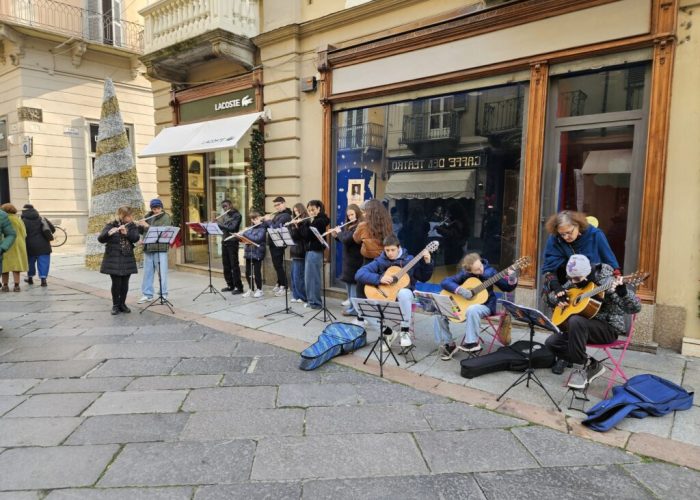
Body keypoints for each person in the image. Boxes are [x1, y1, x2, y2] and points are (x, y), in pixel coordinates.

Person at [544, 254, 641, 390]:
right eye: (570, 278)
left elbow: (635, 308)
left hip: (607, 329)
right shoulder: (574, 279)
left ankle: (581, 368)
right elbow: (551, 298)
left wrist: (623, 293)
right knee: (552, 342)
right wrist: (559, 296)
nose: (573, 281)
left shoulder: (608, 281)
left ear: (588, 273)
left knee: (575, 320)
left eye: (576, 279)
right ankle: (591, 364)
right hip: (580, 329)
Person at [355, 234, 433, 350]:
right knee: (362, 307)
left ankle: (405, 331)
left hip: (404, 299)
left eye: (393, 250)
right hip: (385, 296)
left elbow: (424, 277)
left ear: (399, 248)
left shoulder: (409, 260)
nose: (390, 253)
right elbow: (359, 274)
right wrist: (379, 279)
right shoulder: (380, 261)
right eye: (387, 250)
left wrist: (427, 263)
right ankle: (388, 332)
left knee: (404, 293)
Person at [434, 252, 518, 360]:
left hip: (486, 305)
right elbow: (445, 282)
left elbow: (507, 287)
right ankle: (448, 344)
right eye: (477, 269)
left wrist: (512, 276)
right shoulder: (465, 274)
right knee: (440, 311)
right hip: (465, 306)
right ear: (469, 271)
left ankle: (472, 343)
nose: (481, 270)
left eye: (481, 266)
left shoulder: (491, 272)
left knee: (472, 309)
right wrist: (460, 290)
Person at [541, 210, 620, 297]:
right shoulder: (555, 238)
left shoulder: (595, 235)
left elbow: (609, 260)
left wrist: (617, 278)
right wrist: (557, 288)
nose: (566, 237)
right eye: (562, 234)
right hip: (566, 287)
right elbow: (549, 268)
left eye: (569, 232)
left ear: (577, 225)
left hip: (593, 286)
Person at [352, 199, 394, 325]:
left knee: (361, 289)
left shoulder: (363, 226)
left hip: (368, 261)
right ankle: (380, 318)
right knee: (379, 291)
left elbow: (356, 239)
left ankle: (361, 319)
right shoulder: (387, 224)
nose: (363, 214)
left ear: (369, 213)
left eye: (365, 212)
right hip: (383, 261)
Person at [97, 206, 140, 315]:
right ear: (122, 215)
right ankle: (115, 305)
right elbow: (101, 239)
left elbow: (135, 238)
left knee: (125, 282)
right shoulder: (111, 224)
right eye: (128, 216)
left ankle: (123, 304)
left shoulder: (132, 225)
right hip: (114, 257)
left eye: (131, 216)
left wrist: (127, 233)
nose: (130, 218)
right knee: (116, 283)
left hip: (127, 257)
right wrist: (108, 233)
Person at [136, 199, 172, 304]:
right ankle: (147, 294)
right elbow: (143, 232)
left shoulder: (166, 217)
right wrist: (139, 226)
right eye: (154, 209)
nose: (156, 211)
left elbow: (162, 230)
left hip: (160, 248)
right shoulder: (148, 216)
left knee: (162, 272)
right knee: (147, 272)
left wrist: (146, 226)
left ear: (161, 208)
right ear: (151, 209)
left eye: (158, 208)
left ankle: (163, 294)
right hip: (148, 248)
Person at [330, 203, 363, 316]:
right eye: (348, 215)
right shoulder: (349, 226)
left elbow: (347, 239)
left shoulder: (359, 226)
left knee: (353, 286)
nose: (350, 217)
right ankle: (351, 307)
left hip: (356, 260)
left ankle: (355, 310)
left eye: (352, 214)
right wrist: (336, 236)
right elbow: (343, 239)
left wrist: (339, 233)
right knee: (348, 286)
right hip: (348, 259)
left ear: (357, 213)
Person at [298, 200, 329, 310]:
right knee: (309, 278)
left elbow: (307, 235)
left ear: (319, 209)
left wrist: (300, 224)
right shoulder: (315, 220)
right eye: (309, 210)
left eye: (313, 210)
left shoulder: (320, 221)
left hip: (315, 252)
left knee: (313, 278)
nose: (311, 212)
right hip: (310, 251)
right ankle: (312, 300)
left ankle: (315, 302)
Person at [263, 196, 292, 296]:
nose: (277, 207)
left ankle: (285, 286)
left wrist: (268, 220)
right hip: (273, 242)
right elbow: (270, 227)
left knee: (278, 265)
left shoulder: (286, 215)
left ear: (284, 203)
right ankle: (280, 283)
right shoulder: (278, 215)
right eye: (275, 205)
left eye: (278, 204)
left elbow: (274, 227)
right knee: (276, 264)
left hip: (279, 243)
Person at [20, 204, 54, 287]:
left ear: (24, 211)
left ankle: (30, 278)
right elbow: (52, 229)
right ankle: (43, 280)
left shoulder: (22, 221)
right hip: (44, 245)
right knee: (44, 262)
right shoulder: (42, 218)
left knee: (30, 262)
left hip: (29, 245)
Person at [217, 199, 244, 295]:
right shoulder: (225, 215)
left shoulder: (237, 215)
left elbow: (232, 228)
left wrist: (219, 224)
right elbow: (222, 229)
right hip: (224, 241)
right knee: (226, 265)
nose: (224, 208)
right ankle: (230, 285)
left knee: (234, 265)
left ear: (230, 205)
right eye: (223, 207)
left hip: (232, 242)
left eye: (226, 206)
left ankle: (239, 287)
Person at [1, 204, 28, 292]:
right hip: (18, 245)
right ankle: (17, 285)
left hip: (6, 244)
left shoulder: (3, 218)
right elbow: (24, 234)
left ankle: (5, 285)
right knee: (16, 266)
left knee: (5, 266)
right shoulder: (19, 220)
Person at [241, 210, 267, 298]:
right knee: (248, 272)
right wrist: (240, 236)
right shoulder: (250, 228)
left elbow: (257, 239)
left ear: (260, 218)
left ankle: (259, 289)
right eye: (253, 219)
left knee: (256, 272)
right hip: (249, 252)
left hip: (258, 252)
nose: (255, 220)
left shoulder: (263, 228)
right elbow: (246, 239)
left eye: (256, 218)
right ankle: (251, 289)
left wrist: (245, 233)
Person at [288, 203, 308, 304]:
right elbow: (292, 236)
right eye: (295, 211)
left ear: (302, 210)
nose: (296, 213)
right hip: (294, 250)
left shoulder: (305, 221)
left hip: (301, 251)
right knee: (293, 275)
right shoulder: (295, 221)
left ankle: (302, 296)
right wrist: (291, 226)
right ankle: (295, 295)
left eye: (298, 211)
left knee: (298, 276)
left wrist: (297, 226)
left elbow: (302, 236)